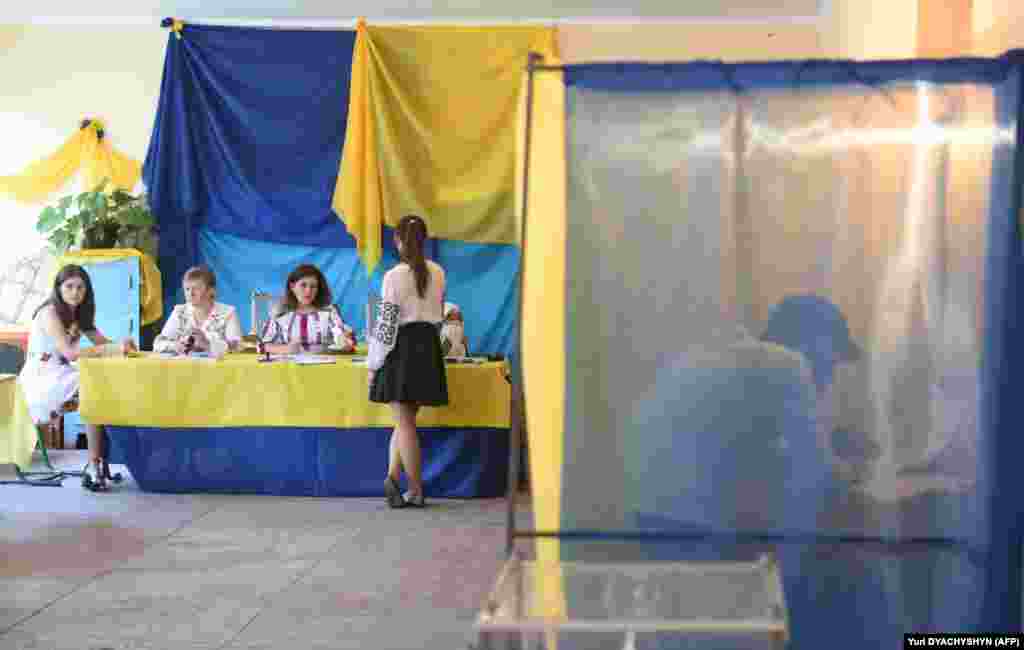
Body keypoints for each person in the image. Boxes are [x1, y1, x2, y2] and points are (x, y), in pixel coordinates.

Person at [18, 264, 138, 490]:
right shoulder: (49, 312)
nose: (75, 292)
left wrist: (125, 344)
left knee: (101, 389)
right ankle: (95, 464)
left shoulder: (79, 315)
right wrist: (112, 350)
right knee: (95, 389)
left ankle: (99, 461)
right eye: (69, 286)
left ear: (87, 291)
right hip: (42, 377)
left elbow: (103, 344)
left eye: (80, 288)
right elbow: (70, 353)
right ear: (59, 288)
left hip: (63, 372)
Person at [368, 215, 449, 508]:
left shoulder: (393, 276)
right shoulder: (438, 272)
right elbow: (439, 316)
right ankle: (392, 477)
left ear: (398, 241)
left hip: (401, 349)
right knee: (406, 422)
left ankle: (415, 490)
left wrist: (373, 364)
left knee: (404, 423)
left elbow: (386, 325)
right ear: (424, 240)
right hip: (427, 346)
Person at [260, 264, 355, 354]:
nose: (308, 291)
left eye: (313, 286)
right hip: (289, 368)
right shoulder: (280, 312)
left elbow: (342, 337)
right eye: (303, 285)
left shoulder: (329, 311)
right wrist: (285, 349)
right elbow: (262, 345)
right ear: (292, 287)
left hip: (325, 368)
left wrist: (346, 342)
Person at [153, 266, 243, 358]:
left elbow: (237, 347)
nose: (190, 294)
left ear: (211, 291)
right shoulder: (179, 312)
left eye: (196, 288)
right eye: (187, 289)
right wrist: (176, 346)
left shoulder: (228, 313)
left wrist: (208, 344)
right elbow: (158, 343)